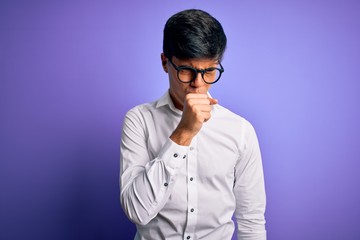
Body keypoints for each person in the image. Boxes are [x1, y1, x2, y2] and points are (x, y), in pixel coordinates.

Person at [120, 9, 266, 240]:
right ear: (165, 63)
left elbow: (251, 220)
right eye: (187, 70)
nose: (198, 84)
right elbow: (137, 212)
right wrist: (183, 133)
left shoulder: (240, 131)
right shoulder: (139, 121)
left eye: (209, 71)